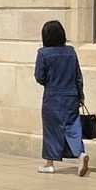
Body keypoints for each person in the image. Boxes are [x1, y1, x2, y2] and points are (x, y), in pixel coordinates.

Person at [34, 18, 88, 177]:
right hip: (71, 96)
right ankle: (80, 154)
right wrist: (81, 95)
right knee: (73, 126)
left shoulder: (43, 53)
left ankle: (49, 164)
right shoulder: (71, 52)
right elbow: (78, 76)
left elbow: (39, 77)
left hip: (52, 97)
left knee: (51, 130)